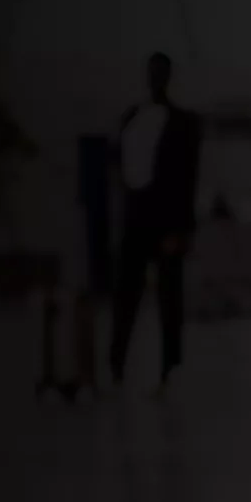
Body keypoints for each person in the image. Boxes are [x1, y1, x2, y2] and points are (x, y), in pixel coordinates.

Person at [111, 52, 204, 395]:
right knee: (125, 296)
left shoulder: (184, 122)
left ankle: (170, 369)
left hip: (166, 223)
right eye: (151, 71)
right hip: (136, 219)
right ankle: (116, 366)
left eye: (161, 71)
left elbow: (188, 178)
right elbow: (123, 170)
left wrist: (182, 229)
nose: (155, 77)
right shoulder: (131, 117)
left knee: (170, 299)